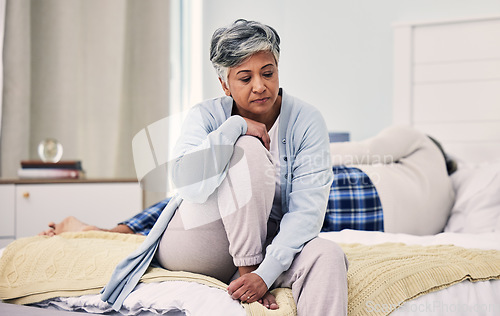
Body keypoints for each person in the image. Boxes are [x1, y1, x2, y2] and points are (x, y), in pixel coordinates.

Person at [82, 19, 347, 315]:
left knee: (327, 254)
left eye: (268, 73)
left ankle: (252, 270)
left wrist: (267, 273)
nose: (260, 86)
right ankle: (245, 270)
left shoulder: (307, 120)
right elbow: (186, 184)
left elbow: (306, 213)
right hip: (198, 244)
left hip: (268, 243)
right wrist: (234, 127)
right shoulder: (205, 116)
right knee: (247, 148)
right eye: (245, 79)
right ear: (225, 85)